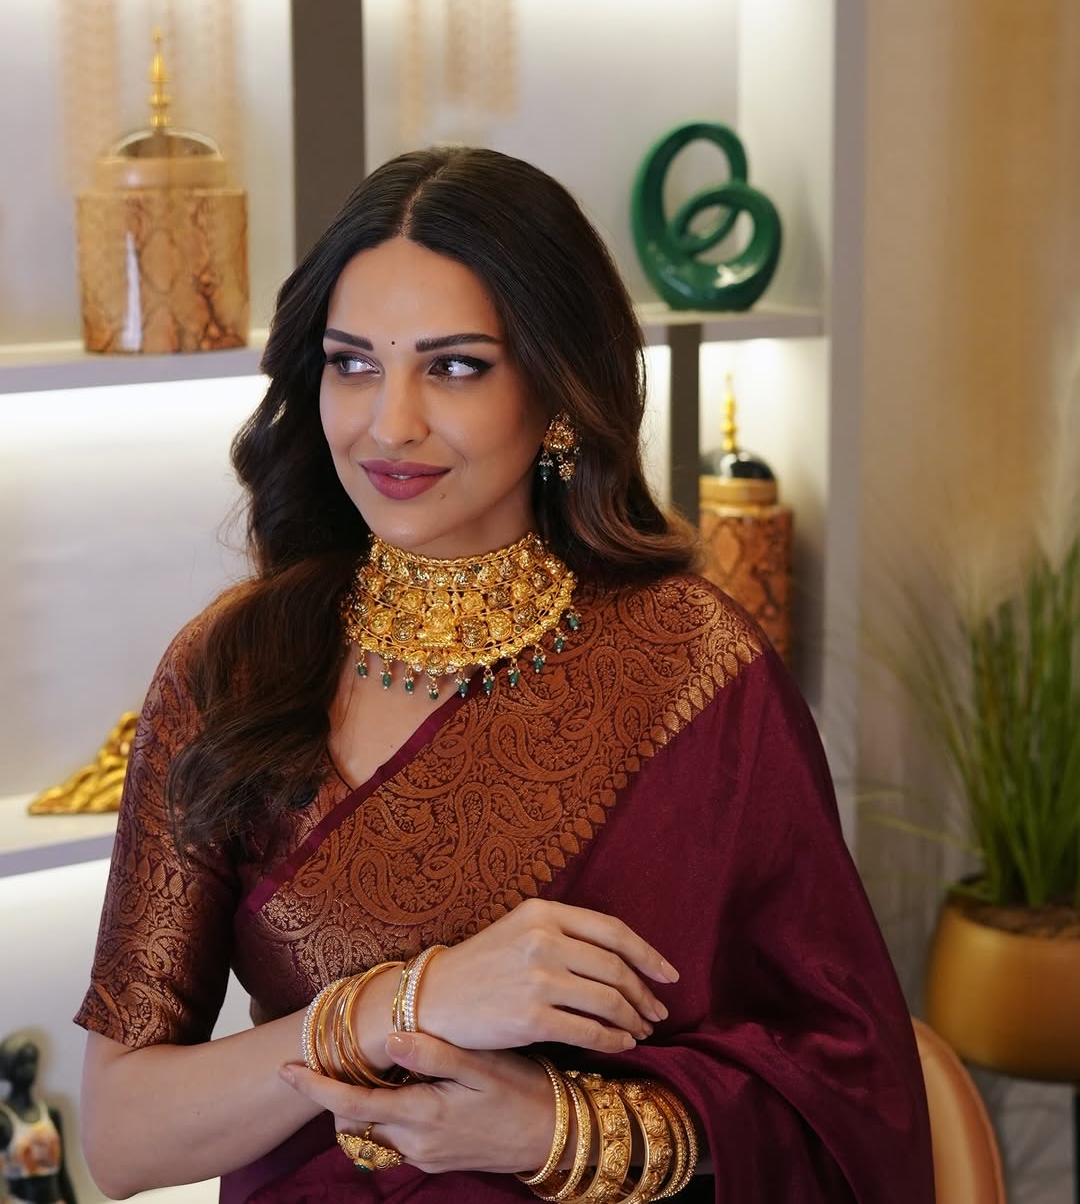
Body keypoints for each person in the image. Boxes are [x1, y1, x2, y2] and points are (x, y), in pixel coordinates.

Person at [75, 146, 934, 1203]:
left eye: (455, 367)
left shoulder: (690, 668)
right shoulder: (234, 668)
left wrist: (554, 1127)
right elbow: (123, 1136)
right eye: (352, 363)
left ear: (557, 392)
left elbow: (847, 1095)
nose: (391, 423)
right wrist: (406, 1003)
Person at [0, 1033, 77, 1204]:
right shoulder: (3, 1119)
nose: (30, 1068)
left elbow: (62, 1173)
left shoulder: (51, 1114)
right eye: (22, 1062)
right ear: (8, 1065)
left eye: (32, 1061)